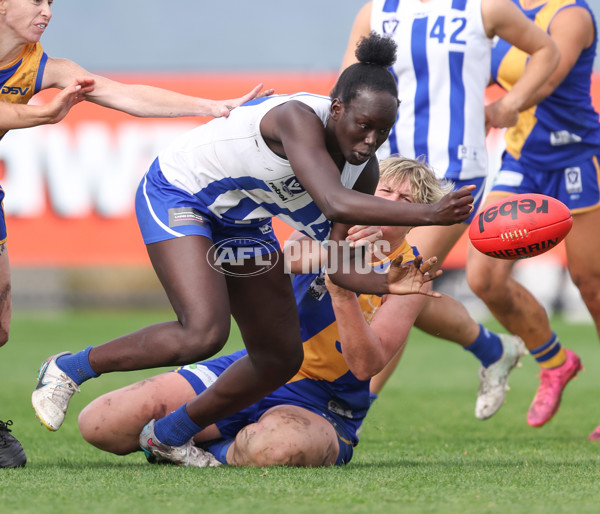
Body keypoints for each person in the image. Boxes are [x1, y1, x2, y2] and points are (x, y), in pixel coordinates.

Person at [32, 33, 475, 467]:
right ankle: (70, 368)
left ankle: (170, 437)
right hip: (181, 191)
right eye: (364, 126)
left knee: (280, 357)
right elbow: (332, 205)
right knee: (203, 333)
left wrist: (386, 281)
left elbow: (339, 266)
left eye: (383, 131)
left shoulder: (362, 175)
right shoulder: (298, 118)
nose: (370, 142)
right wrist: (431, 215)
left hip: (242, 220)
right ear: (336, 108)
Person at [0, 0, 274, 469]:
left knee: (2, 314)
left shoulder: (42, 65)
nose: (47, 11)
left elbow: (123, 94)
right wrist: (45, 117)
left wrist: (212, 107)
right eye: (36, 0)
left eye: (52, 3)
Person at [78, 156, 451, 467]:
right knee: (101, 423)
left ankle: (209, 449)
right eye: (386, 190)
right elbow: (287, 259)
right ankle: (196, 436)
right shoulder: (328, 225)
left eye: (407, 199)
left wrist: (343, 293)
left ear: (419, 217)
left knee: (274, 448)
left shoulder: (411, 274)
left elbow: (366, 366)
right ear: (368, 193)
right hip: (257, 368)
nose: (392, 202)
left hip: (322, 402)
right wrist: (340, 257)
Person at [340, 0, 559, 418]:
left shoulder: (483, 7)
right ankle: (493, 349)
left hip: (452, 171)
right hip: (387, 171)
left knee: (397, 285)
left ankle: (353, 410)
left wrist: (512, 102)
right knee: (397, 286)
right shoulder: (377, 11)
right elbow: (348, 84)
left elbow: (547, 51)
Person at [466, 0, 600, 439]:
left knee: (592, 284)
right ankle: (556, 363)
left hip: (578, 155)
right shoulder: (500, 12)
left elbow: (547, 78)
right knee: (483, 277)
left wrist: (506, 107)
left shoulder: (571, 15)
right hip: (523, 161)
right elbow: (466, 69)